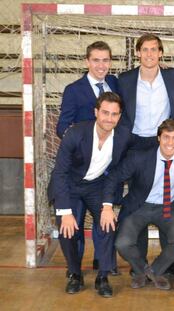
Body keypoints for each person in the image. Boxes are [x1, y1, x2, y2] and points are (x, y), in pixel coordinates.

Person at [117, 33, 174, 278]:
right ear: (138, 53)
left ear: (161, 53)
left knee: (170, 196)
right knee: (140, 199)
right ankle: (140, 261)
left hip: (166, 141)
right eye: (145, 49)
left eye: (154, 49)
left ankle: (169, 262)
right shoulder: (124, 79)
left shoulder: (172, 75)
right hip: (137, 144)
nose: (149, 54)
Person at [48, 92, 130, 297]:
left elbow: (145, 149)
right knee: (68, 229)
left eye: (114, 114)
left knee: (108, 224)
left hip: (97, 186)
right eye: (105, 113)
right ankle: (75, 274)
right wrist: (65, 211)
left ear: (119, 117)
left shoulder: (123, 136)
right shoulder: (76, 133)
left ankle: (103, 276)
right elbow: (60, 173)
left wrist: (108, 206)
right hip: (69, 185)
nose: (109, 118)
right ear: (96, 112)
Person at [101, 119, 174, 290]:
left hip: (168, 206)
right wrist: (107, 206)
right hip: (140, 205)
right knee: (122, 243)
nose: (170, 143)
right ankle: (143, 270)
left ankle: (153, 271)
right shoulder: (139, 157)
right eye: (166, 137)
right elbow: (113, 177)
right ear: (158, 138)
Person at [55, 41, 119, 274]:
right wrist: (79, 144)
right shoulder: (74, 89)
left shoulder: (114, 83)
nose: (101, 65)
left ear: (110, 62)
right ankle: (75, 271)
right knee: (73, 226)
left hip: (102, 174)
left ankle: (104, 266)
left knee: (107, 222)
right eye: (96, 60)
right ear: (87, 61)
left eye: (105, 60)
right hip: (77, 169)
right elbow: (62, 125)